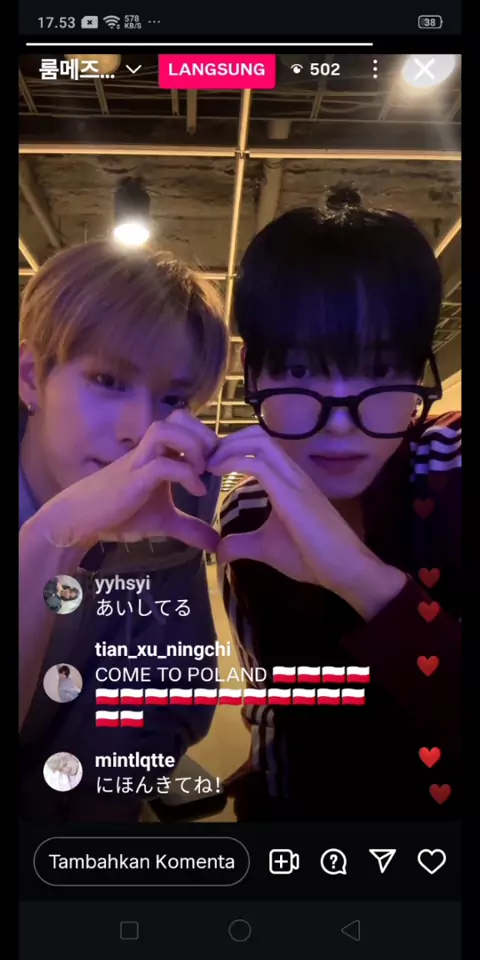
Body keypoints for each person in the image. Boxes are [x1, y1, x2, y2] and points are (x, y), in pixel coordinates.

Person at [212, 189, 461, 821]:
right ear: (252, 372)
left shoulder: (455, 467)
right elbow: (275, 705)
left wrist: (359, 578)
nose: (342, 421)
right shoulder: (247, 516)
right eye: (301, 371)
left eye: (380, 368)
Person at [19, 239, 228, 820]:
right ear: (31, 377)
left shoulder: (177, 498)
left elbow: (179, 698)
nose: (139, 429)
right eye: (108, 380)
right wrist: (55, 535)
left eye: (173, 397)